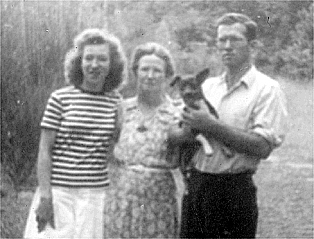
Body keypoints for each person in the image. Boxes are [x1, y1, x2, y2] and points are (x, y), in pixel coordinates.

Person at [180, 13, 288, 238]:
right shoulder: (205, 87)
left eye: (234, 39)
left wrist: (211, 125)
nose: (227, 46)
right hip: (197, 185)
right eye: (221, 40)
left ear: (253, 46)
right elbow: (184, 130)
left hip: (234, 191)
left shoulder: (267, 90)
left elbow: (262, 146)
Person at [24, 28, 127, 239]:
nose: (95, 65)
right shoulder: (60, 99)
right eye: (88, 58)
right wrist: (45, 196)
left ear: (112, 64)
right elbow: (45, 150)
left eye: (102, 59)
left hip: (94, 196)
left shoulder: (117, 103)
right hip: (58, 193)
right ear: (79, 61)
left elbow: (117, 148)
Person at [104, 42, 187, 238]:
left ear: (167, 76)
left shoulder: (177, 113)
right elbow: (109, 148)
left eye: (157, 70)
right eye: (145, 69)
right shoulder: (122, 109)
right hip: (121, 197)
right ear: (135, 72)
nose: (150, 75)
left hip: (159, 200)